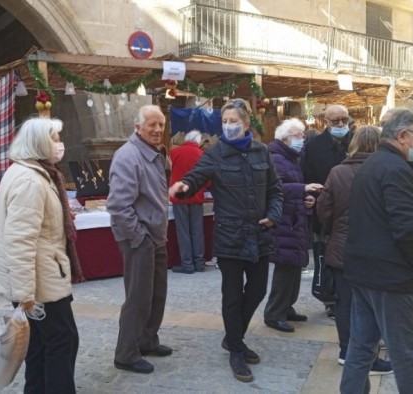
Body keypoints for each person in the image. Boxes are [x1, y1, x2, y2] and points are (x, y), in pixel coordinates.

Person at [169, 98, 283, 383]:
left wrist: (273, 215)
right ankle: (236, 349)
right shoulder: (217, 153)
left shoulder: (262, 152)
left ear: (246, 124)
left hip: (259, 234)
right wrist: (183, 187)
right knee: (232, 296)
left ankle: (234, 338)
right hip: (230, 236)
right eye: (225, 121)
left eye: (234, 121)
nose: (229, 126)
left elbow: (275, 190)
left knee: (257, 290)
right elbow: (197, 176)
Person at [340, 109, 413, 394]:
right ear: (403, 136)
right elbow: (408, 228)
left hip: (365, 272)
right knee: (409, 354)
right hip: (390, 277)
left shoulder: (373, 164)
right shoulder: (394, 169)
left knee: (361, 347)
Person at [0, 117, 83, 393]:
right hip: (40, 283)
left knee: (41, 345)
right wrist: (25, 295)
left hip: (43, 276)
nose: (59, 144)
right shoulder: (30, 179)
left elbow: (35, 224)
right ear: (39, 143)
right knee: (62, 341)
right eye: (54, 138)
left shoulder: (32, 173)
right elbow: (20, 241)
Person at [316, 126, 392, 376]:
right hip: (377, 249)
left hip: (343, 247)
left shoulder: (338, 171)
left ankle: (346, 351)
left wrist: (334, 230)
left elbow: (324, 209)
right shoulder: (387, 170)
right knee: (372, 304)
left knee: (345, 302)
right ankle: (368, 355)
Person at [107, 105, 172, 375]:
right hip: (140, 239)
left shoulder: (156, 153)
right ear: (138, 127)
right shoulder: (128, 156)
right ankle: (126, 353)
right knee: (138, 298)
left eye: (160, 125)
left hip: (155, 236)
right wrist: (139, 237)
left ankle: (147, 340)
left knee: (156, 295)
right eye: (151, 125)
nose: (157, 130)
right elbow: (119, 206)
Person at [263, 119, 322, 333]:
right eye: (298, 136)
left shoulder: (292, 158)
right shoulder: (276, 158)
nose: (302, 140)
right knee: (285, 268)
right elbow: (275, 188)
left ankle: (287, 307)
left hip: (294, 219)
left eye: (303, 135)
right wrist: (302, 188)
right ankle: (274, 313)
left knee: (295, 266)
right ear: (285, 138)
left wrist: (307, 198)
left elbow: (293, 189)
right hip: (284, 222)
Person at [301, 104, 352, 319]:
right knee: (325, 256)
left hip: (352, 210)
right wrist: (311, 197)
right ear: (326, 122)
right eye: (335, 121)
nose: (341, 124)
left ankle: (350, 295)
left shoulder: (355, 142)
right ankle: (329, 298)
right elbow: (306, 175)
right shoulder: (314, 146)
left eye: (344, 120)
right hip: (324, 209)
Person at [169, 130, 208, 274]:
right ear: (197, 141)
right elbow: (207, 178)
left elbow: (166, 171)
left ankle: (187, 264)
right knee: (197, 231)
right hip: (196, 197)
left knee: (183, 231)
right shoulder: (202, 154)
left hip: (179, 198)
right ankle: (199, 263)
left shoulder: (175, 152)